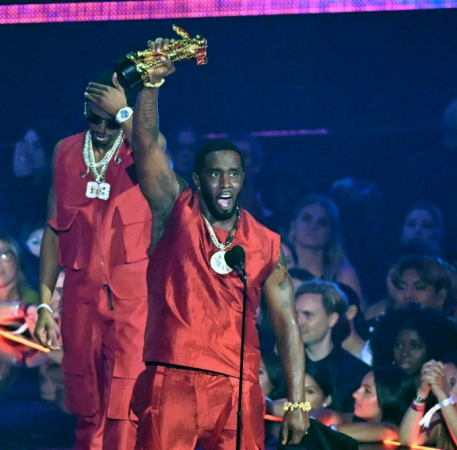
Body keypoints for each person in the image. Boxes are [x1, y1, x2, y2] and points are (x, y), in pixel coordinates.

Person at [127, 38, 309, 448]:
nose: (225, 183)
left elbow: (287, 323)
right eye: (214, 174)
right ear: (198, 179)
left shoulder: (266, 243)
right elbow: (147, 144)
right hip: (172, 375)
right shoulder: (175, 210)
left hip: (237, 386)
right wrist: (151, 86)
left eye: (233, 174)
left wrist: (297, 403)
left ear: (244, 179)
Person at [34, 70, 151, 450]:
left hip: (130, 302)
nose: (101, 128)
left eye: (109, 119)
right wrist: (44, 303)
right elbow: (54, 229)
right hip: (81, 300)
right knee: (86, 406)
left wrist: (125, 116)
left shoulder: (138, 149)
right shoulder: (66, 151)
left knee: (125, 407)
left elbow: (156, 155)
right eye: (93, 118)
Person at [295, 280, 370, 412]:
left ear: (332, 319)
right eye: (295, 314)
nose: (298, 322)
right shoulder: (280, 364)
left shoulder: (355, 374)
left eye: (308, 315)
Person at [288, 193, 363, 305]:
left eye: (322, 223)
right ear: (293, 225)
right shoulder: (276, 269)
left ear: (331, 232)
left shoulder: (343, 276)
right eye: (307, 219)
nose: (313, 226)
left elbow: (358, 318)